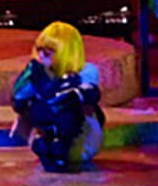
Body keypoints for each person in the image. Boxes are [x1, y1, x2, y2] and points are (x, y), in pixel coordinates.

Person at [10, 21, 106, 172]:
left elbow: (87, 95)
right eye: (39, 50)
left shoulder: (86, 72)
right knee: (36, 107)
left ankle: (60, 150)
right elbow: (18, 101)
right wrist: (30, 77)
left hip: (82, 139)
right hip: (44, 135)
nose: (41, 55)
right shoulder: (39, 73)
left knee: (67, 104)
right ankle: (48, 148)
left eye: (47, 52)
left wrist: (55, 86)